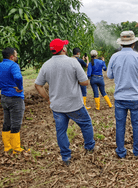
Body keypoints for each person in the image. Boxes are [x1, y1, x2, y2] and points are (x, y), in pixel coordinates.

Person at [34, 38, 95, 166]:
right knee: (86, 124)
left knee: (61, 131)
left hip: (57, 106)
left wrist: (48, 99)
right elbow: (85, 82)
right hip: (74, 104)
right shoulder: (73, 62)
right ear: (63, 49)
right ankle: (89, 147)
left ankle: (66, 157)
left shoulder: (46, 65)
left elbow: (38, 85)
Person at [107, 31, 138, 159]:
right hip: (135, 97)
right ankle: (137, 150)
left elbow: (109, 75)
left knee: (120, 125)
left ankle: (120, 151)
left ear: (121, 44)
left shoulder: (114, 57)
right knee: (136, 125)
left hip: (120, 97)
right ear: (133, 43)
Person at [0, 47, 26, 153]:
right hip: (15, 97)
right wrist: (20, 87)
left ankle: (7, 147)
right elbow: (18, 77)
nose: (17, 56)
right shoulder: (14, 65)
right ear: (12, 56)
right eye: (16, 54)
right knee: (16, 123)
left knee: (7, 122)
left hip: (4, 97)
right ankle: (16, 149)